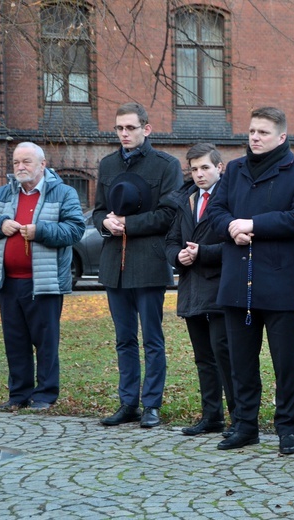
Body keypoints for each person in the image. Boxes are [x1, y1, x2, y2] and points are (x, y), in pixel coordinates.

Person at [210, 106, 294, 455]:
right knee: (241, 360)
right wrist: (231, 228)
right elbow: (215, 212)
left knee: (285, 362)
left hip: (278, 280)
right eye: (252, 131)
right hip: (237, 278)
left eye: (263, 133)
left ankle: (287, 428)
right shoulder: (235, 170)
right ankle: (245, 425)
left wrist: (253, 224)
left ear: (281, 137)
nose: (255, 138)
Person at [94, 102, 183, 428]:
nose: (124, 133)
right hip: (113, 264)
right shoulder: (107, 165)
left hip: (148, 263)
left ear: (146, 129)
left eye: (130, 128)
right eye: (119, 128)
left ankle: (151, 405)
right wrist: (106, 222)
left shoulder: (166, 165)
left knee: (152, 339)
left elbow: (169, 214)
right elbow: (97, 211)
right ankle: (127, 403)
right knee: (124, 339)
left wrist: (129, 224)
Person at [0, 142, 85, 411]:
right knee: (15, 341)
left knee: (45, 342)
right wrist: (0, 224)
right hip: (9, 282)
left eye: (26, 161)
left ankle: (45, 395)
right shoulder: (2, 193)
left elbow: (74, 230)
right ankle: (18, 395)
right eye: (16, 162)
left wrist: (41, 231)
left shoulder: (63, 193)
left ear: (42, 165)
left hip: (44, 282)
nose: (20, 167)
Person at [165, 143, 235, 437]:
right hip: (192, 288)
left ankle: (240, 419)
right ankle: (212, 416)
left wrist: (202, 253)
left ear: (219, 167)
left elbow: (235, 242)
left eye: (205, 167)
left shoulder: (231, 198)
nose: (199, 174)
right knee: (203, 357)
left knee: (226, 355)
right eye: (194, 169)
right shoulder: (185, 199)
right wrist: (177, 256)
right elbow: (170, 242)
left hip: (220, 287)